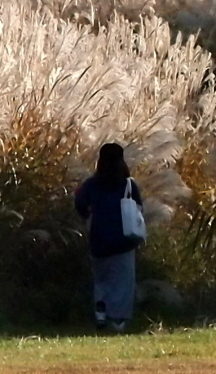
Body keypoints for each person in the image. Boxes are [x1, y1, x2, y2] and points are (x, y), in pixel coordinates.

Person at [74, 142, 144, 332]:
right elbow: (139, 209)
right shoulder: (128, 184)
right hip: (124, 240)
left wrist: (89, 215)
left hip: (99, 239)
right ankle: (118, 320)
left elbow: (80, 204)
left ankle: (101, 313)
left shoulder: (92, 184)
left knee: (101, 279)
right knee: (122, 282)